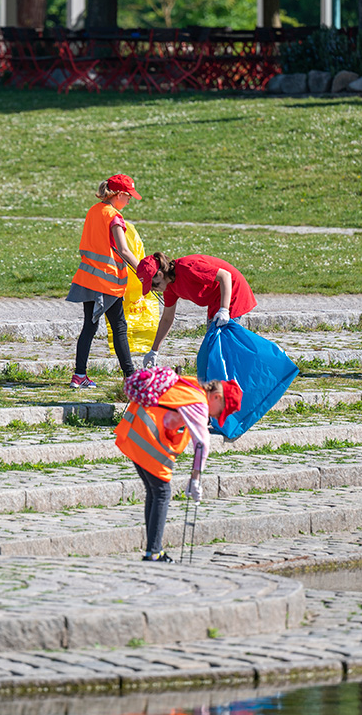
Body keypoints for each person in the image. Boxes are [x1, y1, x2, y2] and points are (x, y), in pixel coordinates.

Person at [114, 366, 242, 562]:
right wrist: (195, 479)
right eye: (220, 413)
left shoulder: (189, 385)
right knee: (162, 492)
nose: (216, 418)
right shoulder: (198, 402)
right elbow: (202, 443)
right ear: (216, 397)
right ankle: (154, 553)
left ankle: (153, 550)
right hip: (147, 440)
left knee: (155, 491)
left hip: (133, 433)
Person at [66, 173, 143, 389]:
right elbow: (124, 249)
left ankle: (79, 375)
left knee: (89, 327)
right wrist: (143, 271)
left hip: (88, 278)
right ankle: (131, 378)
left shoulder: (93, 211)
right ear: (118, 194)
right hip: (107, 282)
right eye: (128, 196)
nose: (129, 201)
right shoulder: (114, 217)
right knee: (119, 327)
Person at [135, 253, 257, 369]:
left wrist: (224, 309)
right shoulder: (169, 287)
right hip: (215, 300)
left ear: (160, 274)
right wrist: (154, 350)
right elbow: (167, 318)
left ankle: (243, 374)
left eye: (153, 285)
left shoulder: (187, 267)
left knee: (221, 349)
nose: (153, 290)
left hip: (232, 292)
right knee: (212, 350)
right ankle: (223, 382)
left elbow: (226, 276)